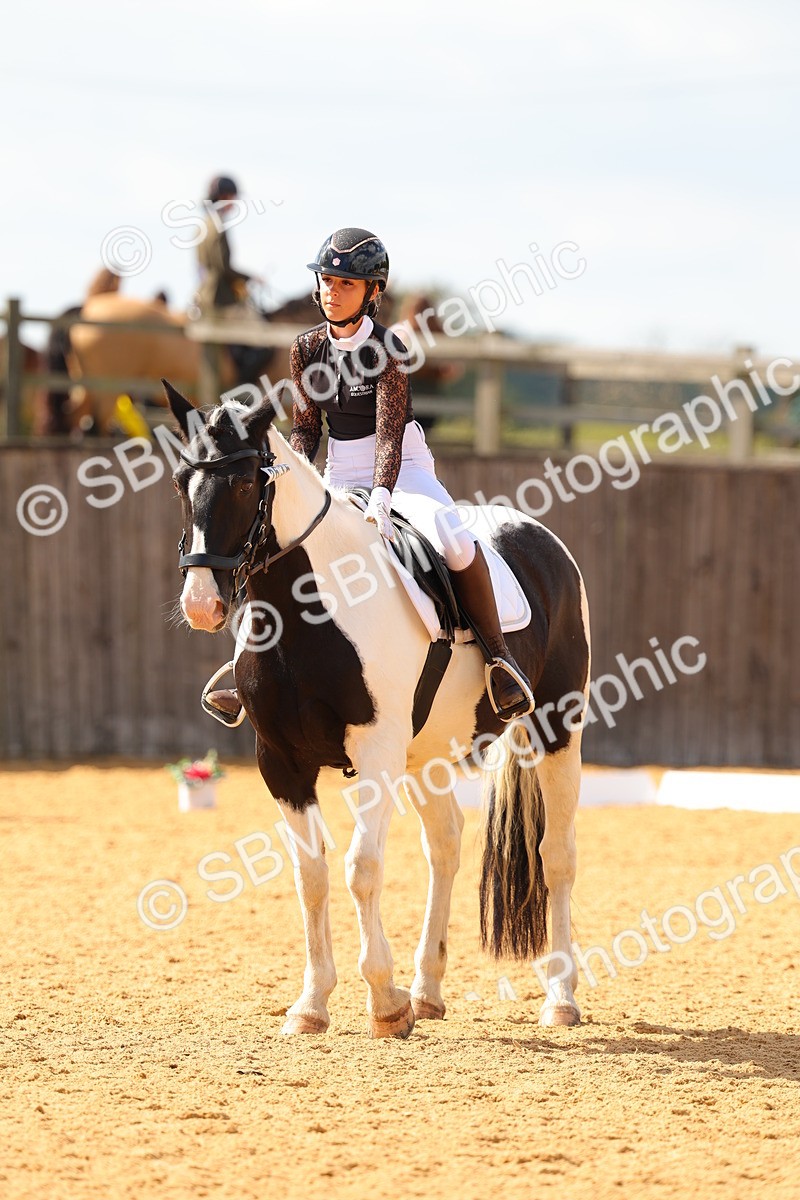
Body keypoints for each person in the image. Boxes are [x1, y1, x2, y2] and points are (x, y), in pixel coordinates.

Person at [205, 228, 533, 725]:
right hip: (338, 469)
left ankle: (498, 659)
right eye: (327, 281)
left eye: (346, 284)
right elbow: (307, 428)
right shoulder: (305, 348)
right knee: (273, 543)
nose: (332, 292)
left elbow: (388, 436)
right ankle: (242, 666)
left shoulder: (388, 347)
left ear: (373, 291)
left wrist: (381, 493)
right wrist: (286, 475)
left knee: (453, 539)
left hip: (404, 468)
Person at [194, 175, 268, 384]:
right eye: (233, 197)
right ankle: (242, 387)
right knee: (265, 339)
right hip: (220, 299)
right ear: (225, 196)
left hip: (204, 295)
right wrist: (251, 278)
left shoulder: (204, 224)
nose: (235, 203)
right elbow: (223, 268)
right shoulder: (218, 225)